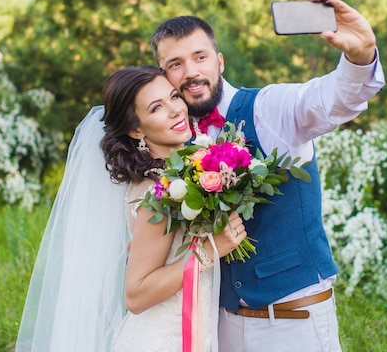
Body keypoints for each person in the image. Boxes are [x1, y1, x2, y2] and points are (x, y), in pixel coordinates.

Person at [150, 0, 386, 352]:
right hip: (220, 327)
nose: (191, 72)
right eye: (175, 64)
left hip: (294, 322)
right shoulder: (177, 143)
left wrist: (360, 55)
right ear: (164, 76)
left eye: (200, 57)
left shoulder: (269, 108)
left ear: (220, 61)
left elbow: (332, 99)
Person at [16, 65, 246, 352]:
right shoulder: (158, 193)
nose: (176, 110)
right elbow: (136, 294)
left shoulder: (178, 178)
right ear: (136, 129)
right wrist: (211, 250)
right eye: (156, 108)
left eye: (174, 97)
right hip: (163, 340)